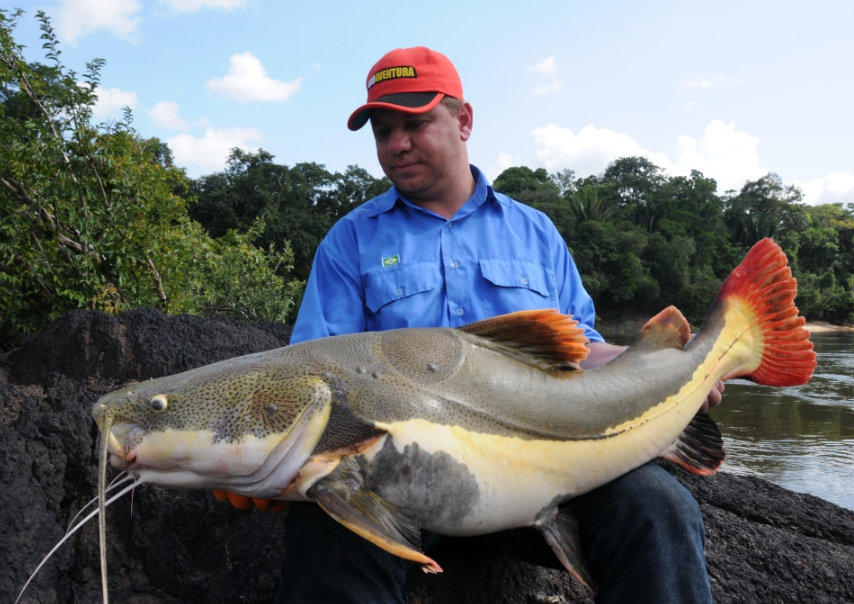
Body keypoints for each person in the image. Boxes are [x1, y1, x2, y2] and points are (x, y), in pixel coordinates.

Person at [273, 46, 720, 603]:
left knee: (659, 508)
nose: (396, 144)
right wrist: (269, 464)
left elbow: (581, 352)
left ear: (463, 121)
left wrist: (676, 371)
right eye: (382, 130)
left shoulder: (536, 233)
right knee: (325, 530)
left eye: (414, 124)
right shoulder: (349, 242)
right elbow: (315, 378)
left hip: (551, 467)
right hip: (400, 485)